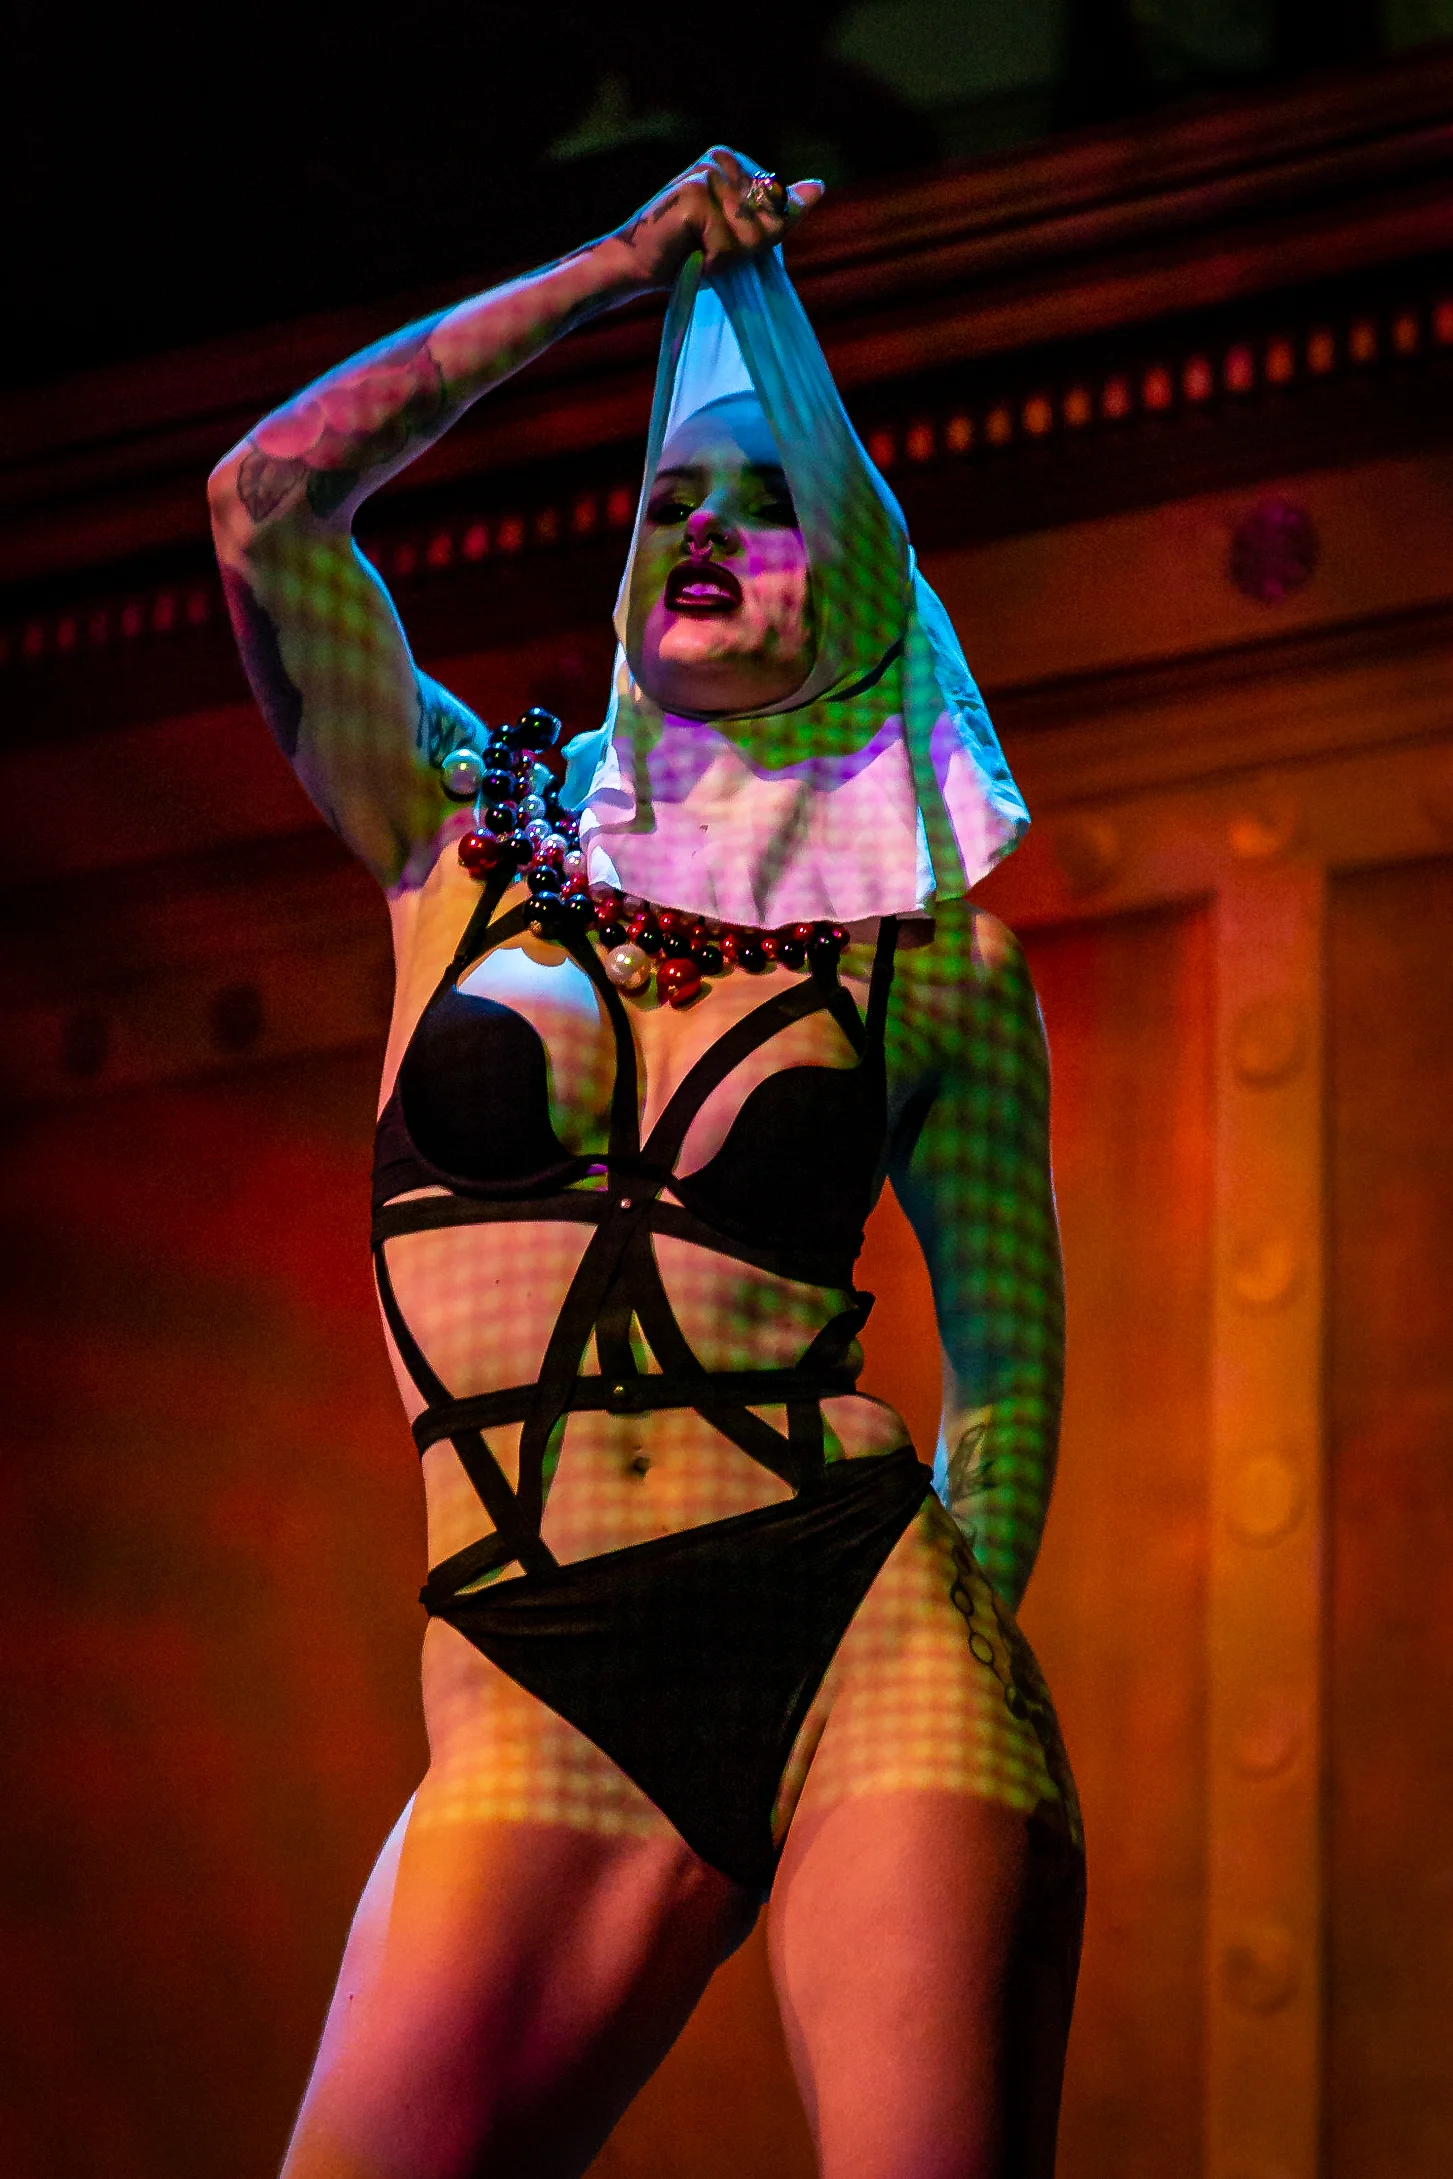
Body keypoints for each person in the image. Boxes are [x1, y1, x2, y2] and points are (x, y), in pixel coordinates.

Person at [210, 146, 1083, 2179]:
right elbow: (263, 507)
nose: (703, 528)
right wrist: (613, 273)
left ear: (853, 582)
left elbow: (1011, 1364)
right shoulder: (456, 834)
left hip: (864, 1623)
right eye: (673, 498)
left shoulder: (938, 960)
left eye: (764, 505)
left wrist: (954, 1663)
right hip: (540, 1663)